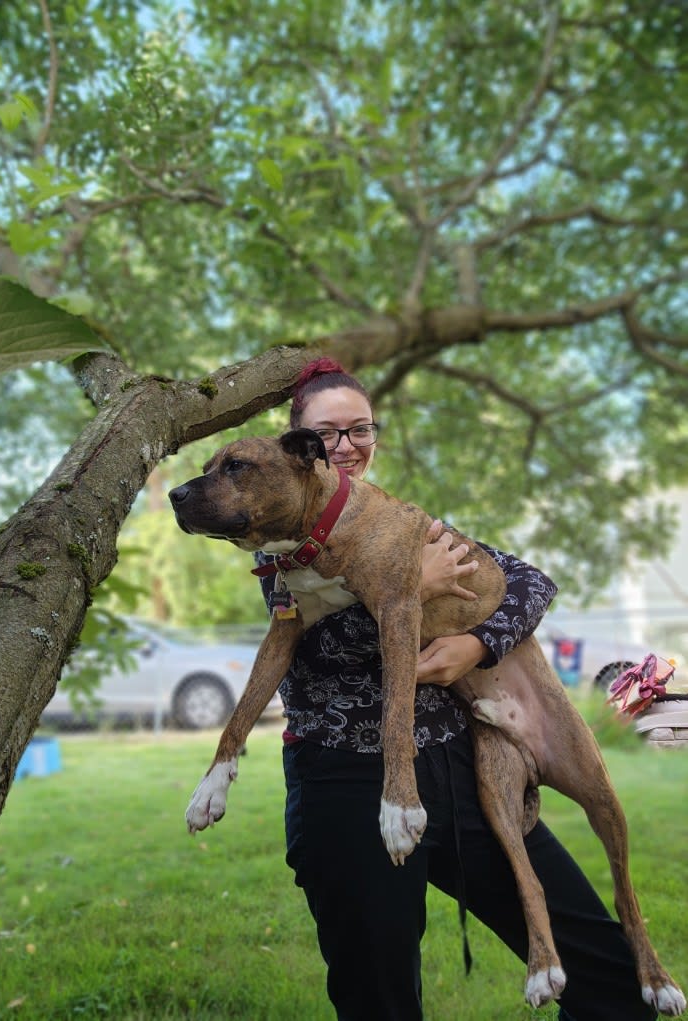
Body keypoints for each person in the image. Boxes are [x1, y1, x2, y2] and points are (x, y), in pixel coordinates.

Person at [254, 358, 658, 1021]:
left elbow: (527, 581)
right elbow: (322, 657)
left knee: (605, 972)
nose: (347, 445)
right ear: (297, 444)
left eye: (361, 428)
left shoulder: (396, 521)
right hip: (349, 789)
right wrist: (421, 589)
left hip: (461, 770)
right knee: (380, 1001)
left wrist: (477, 643)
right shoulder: (281, 541)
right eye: (328, 433)